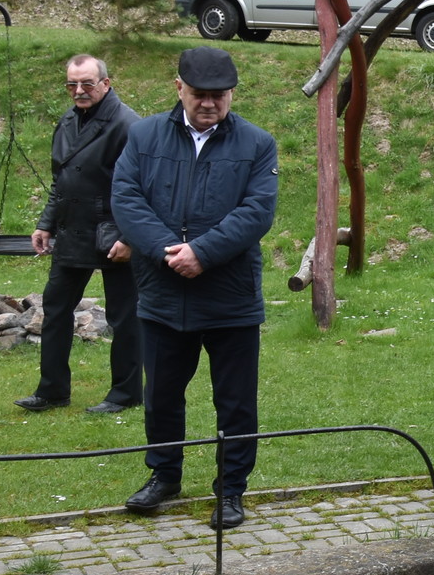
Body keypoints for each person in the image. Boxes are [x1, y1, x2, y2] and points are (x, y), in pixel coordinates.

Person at [110, 47, 278, 529]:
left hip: (231, 297)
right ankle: (164, 476)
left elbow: (256, 211)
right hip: (163, 293)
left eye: (219, 96)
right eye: (200, 94)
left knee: (235, 400)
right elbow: (126, 198)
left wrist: (203, 252)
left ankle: (230, 490)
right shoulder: (142, 136)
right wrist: (168, 249)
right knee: (161, 394)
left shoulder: (257, 144)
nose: (209, 104)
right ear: (178, 87)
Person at [16, 54, 142, 415]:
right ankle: (52, 390)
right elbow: (62, 181)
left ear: (106, 82)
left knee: (125, 317)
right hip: (72, 231)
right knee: (55, 308)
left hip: (113, 233)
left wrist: (130, 237)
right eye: (72, 84)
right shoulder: (68, 120)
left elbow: (144, 188)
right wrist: (45, 223)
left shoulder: (128, 124)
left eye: (87, 83)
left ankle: (126, 393)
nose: (79, 91)